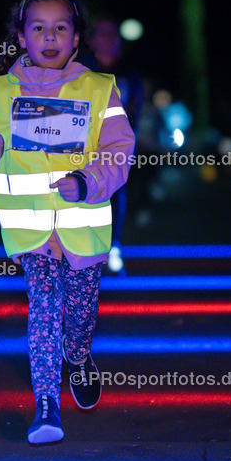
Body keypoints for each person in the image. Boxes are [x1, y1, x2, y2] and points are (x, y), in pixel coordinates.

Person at [0, 0, 135, 444]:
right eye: (38, 28)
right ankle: (46, 407)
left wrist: (85, 182)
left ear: (76, 39)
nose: (50, 36)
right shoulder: (3, 93)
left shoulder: (100, 90)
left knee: (78, 317)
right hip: (31, 231)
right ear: (21, 37)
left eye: (61, 27)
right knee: (44, 306)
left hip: (84, 231)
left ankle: (78, 357)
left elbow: (120, 152)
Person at [88, 16, 144, 274]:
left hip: (117, 144)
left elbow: (136, 106)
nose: (108, 39)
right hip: (85, 145)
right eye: (103, 33)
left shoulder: (128, 70)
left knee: (116, 193)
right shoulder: (83, 68)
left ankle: (113, 247)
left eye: (113, 34)